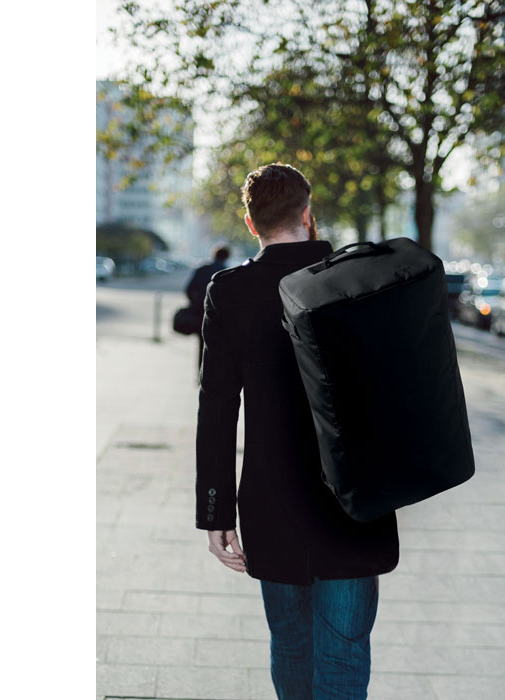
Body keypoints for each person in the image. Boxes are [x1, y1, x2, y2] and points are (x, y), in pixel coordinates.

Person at [195, 163, 399, 699]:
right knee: (344, 653)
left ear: (250, 223)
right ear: (308, 215)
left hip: (273, 502)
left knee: (289, 643)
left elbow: (216, 408)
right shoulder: (356, 280)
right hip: (352, 502)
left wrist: (215, 511)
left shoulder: (230, 292)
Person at [184, 246, 231, 376]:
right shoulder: (227, 272)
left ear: (214, 255)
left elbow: (189, 289)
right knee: (219, 347)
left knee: (202, 345)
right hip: (220, 316)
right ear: (227, 257)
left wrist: (195, 304)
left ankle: (201, 375)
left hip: (201, 313)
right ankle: (214, 375)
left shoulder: (201, 269)